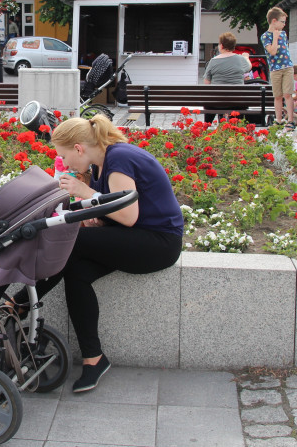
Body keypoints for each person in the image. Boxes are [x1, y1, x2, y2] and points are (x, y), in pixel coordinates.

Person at [14, 115, 182, 393]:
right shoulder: (104, 161)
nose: (65, 165)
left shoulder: (118, 159)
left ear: (79, 148)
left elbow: (128, 215)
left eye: (64, 157)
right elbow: (118, 213)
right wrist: (97, 216)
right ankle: (94, 359)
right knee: (76, 272)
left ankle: (18, 303)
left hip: (159, 243)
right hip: (139, 237)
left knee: (71, 241)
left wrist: (85, 192)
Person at [260, 7, 295, 126]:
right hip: (275, 69)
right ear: (274, 21)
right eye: (282, 22)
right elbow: (273, 51)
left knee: (288, 94)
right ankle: (278, 119)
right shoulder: (265, 36)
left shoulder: (284, 34)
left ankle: (290, 120)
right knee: (278, 95)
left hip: (287, 67)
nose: (284, 24)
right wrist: (275, 38)